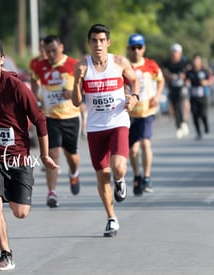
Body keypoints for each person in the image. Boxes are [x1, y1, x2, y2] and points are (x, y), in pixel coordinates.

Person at [0, 36, 58, 270]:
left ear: (2, 59)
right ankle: (5, 254)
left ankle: (11, 193)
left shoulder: (15, 86)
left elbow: (39, 120)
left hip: (18, 157)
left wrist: (45, 155)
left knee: (20, 213)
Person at [72, 24, 140, 237]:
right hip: (95, 127)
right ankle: (112, 218)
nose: (98, 44)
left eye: (102, 40)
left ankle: (120, 181)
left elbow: (135, 80)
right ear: (89, 43)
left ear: (108, 42)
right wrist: (78, 80)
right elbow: (75, 102)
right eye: (94, 40)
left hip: (118, 121)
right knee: (102, 176)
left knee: (118, 167)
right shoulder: (82, 66)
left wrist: (135, 97)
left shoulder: (119, 62)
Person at [31, 35, 81, 208]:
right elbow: (33, 78)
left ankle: (74, 173)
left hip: (71, 116)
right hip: (50, 117)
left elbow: (83, 85)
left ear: (61, 47)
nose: (50, 55)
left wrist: (73, 92)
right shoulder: (40, 65)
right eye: (47, 51)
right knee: (53, 154)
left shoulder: (74, 64)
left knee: (71, 156)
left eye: (54, 50)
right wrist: (36, 95)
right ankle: (52, 192)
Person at [126, 34, 165, 195]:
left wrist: (156, 96)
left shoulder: (150, 65)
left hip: (147, 112)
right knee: (133, 150)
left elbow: (161, 80)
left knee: (146, 143)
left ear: (144, 48)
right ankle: (137, 176)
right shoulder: (124, 66)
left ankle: (147, 177)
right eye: (133, 48)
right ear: (129, 49)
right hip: (130, 114)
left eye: (139, 47)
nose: (136, 51)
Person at [162, 43, 190, 139]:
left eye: (176, 52)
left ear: (180, 53)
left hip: (182, 87)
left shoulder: (185, 62)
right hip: (172, 88)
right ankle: (179, 124)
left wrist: (185, 77)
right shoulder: (168, 63)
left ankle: (184, 122)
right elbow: (163, 71)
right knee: (174, 106)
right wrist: (168, 75)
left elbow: (189, 72)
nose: (175, 54)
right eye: (173, 52)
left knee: (184, 104)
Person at [185, 54, 213, 140]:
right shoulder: (189, 72)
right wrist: (186, 82)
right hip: (193, 96)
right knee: (195, 115)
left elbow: (211, 80)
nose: (196, 62)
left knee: (203, 113)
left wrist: (206, 83)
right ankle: (198, 132)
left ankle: (206, 125)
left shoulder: (205, 71)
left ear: (200, 61)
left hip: (203, 95)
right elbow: (185, 80)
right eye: (194, 60)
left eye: (197, 60)